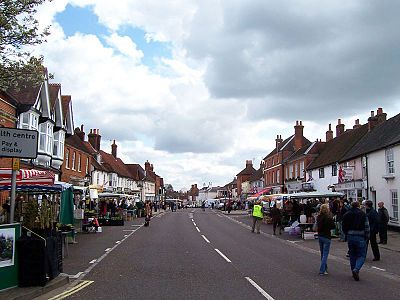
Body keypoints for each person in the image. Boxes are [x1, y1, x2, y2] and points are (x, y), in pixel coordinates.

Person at [342, 201, 370, 281]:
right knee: (361, 255)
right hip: (360, 236)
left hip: (350, 236)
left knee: (352, 254)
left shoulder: (347, 214)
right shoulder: (363, 214)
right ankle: (356, 269)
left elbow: (343, 226)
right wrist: (367, 236)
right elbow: (367, 226)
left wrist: (346, 234)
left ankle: (353, 270)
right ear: (358, 206)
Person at [316, 204, 336, 275]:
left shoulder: (318, 217)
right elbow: (333, 226)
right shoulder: (328, 217)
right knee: (325, 254)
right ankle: (322, 270)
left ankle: (324, 267)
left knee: (322, 253)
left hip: (320, 236)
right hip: (327, 236)